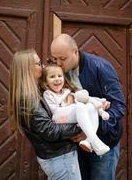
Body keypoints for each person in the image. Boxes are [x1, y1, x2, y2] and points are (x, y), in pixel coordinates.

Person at [50, 34, 126, 180]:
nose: (58, 63)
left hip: (104, 140)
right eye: (55, 58)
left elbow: (119, 106)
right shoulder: (60, 72)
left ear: (75, 52)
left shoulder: (100, 67)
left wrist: (91, 132)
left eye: (62, 59)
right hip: (75, 144)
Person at [8, 49, 82, 180]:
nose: (42, 66)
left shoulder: (34, 92)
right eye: (38, 63)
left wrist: (69, 96)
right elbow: (50, 131)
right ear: (27, 68)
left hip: (58, 157)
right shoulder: (28, 98)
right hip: (60, 158)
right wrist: (81, 125)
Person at [41, 63, 110, 156]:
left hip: (69, 115)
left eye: (59, 76)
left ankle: (88, 141)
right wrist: (69, 95)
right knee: (80, 106)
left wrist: (99, 102)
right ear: (46, 82)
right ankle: (96, 141)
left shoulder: (66, 91)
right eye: (52, 77)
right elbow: (57, 105)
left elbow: (83, 98)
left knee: (90, 106)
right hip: (58, 117)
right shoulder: (48, 93)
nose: (57, 79)